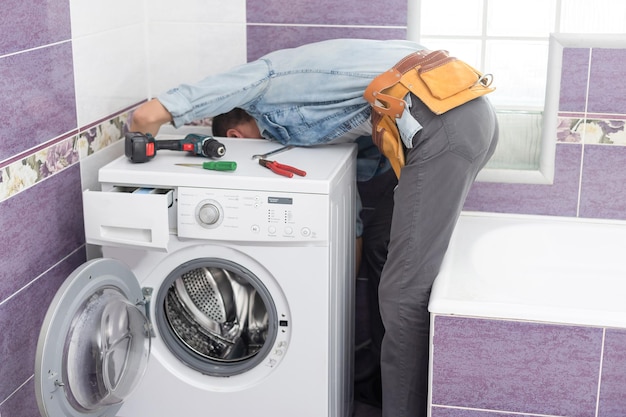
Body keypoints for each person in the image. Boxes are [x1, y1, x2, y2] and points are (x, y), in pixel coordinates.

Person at [130, 38, 499, 417]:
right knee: (379, 244)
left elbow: (163, 109)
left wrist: (148, 123)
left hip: (443, 124)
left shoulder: (268, 84)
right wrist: (334, 301)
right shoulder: (308, 129)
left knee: (405, 293)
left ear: (234, 137)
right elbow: (352, 216)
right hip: (460, 114)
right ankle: (376, 385)